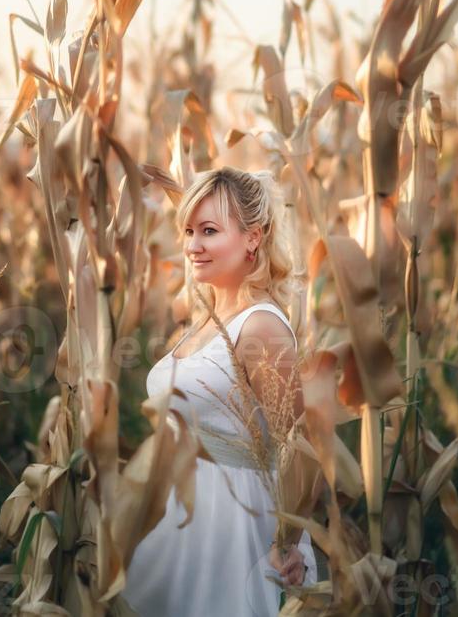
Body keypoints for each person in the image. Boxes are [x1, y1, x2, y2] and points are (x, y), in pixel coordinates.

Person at [121, 166, 318, 617]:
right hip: (182, 513)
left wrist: (285, 543)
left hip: (235, 525)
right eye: (188, 230)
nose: (192, 245)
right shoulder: (208, 317)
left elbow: (299, 448)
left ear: (253, 238)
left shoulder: (261, 326)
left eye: (209, 231)